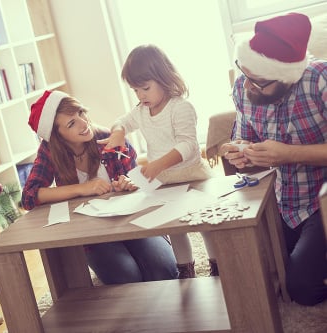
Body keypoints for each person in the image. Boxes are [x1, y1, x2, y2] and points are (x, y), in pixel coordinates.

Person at [220, 12, 327, 306]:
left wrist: (289, 153)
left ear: (286, 77)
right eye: (246, 76)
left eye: (258, 82)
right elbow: (241, 137)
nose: (248, 86)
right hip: (280, 201)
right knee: (257, 273)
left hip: (321, 200)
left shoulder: (320, 79)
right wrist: (240, 151)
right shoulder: (245, 85)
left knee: (302, 289)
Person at [21, 90, 178, 284]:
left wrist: (130, 183)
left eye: (81, 113)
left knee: (163, 270)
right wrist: (82, 188)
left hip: (133, 221)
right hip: (92, 234)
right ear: (57, 136)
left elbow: (138, 178)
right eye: (71, 123)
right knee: (127, 277)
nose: (83, 123)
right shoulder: (49, 152)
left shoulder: (108, 137)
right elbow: (29, 196)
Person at [99, 44, 217, 278]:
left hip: (191, 174)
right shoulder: (141, 110)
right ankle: (185, 268)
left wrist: (158, 165)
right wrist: (119, 131)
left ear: (164, 78)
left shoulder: (181, 107)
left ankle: (217, 263)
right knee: (174, 226)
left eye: (145, 88)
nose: (141, 95)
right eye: (135, 90)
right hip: (163, 181)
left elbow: (189, 145)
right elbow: (122, 120)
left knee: (204, 224)